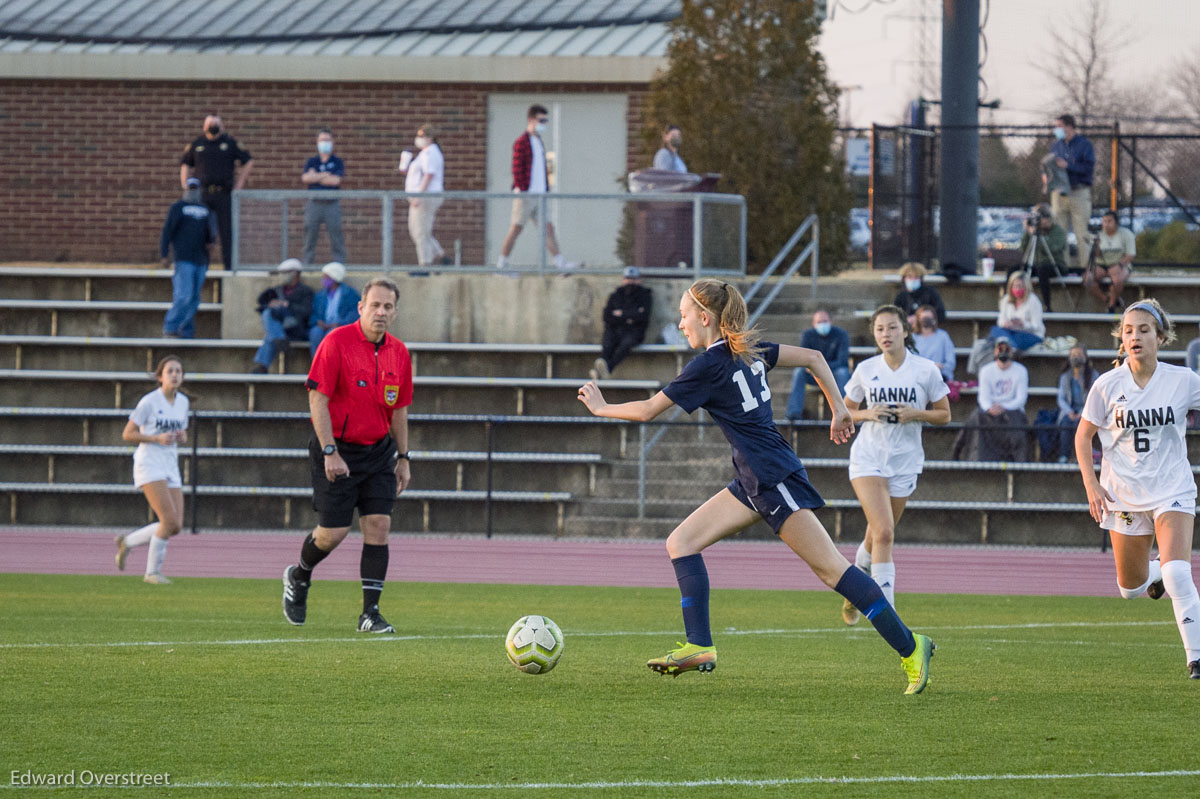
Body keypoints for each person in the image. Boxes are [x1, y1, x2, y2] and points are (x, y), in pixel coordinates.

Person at [576, 279, 936, 695]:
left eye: (684, 316)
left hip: (771, 477)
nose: (680, 324)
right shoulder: (749, 349)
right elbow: (816, 358)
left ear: (705, 318)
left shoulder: (708, 365)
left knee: (832, 569)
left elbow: (646, 412)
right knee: (682, 543)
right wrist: (840, 410)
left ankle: (913, 648)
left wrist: (602, 408)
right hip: (752, 479)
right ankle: (699, 645)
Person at [1075, 299, 1200, 680]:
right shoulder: (1107, 385)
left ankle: (1196, 657)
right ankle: (1155, 575)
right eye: (1128, 331)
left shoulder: (1183, 380)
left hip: (1172, 489)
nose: (1135, 337)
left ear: (1161, 338)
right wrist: (1092, 484)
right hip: (1124, 495)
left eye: (1144, 330)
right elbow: (1083, 437)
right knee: (1130, 589)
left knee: (1178, 571)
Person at [282, 277, 413, 634]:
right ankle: (300, 574)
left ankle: (370, 613)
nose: (381, 312)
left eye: (388, 306)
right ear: (361, 307)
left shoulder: (399, 352)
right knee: (333, 533)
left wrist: (404, 457)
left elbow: (399, 409)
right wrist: (329, 451)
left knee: (379, 525)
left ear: (395, 312)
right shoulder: (336, 342)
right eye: (375, 305)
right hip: (337, 449)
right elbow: (317, 398)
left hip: (378, 453)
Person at [840, 305, 950, 626]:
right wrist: (868, 414)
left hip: (905, 461)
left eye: (891, 328)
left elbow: (944, 415)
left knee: (876, 536)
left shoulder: (925, 369)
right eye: (879, 329)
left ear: (905, 330)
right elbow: (847, 411)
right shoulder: (866, 369)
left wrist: (914, 413)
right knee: (885, 532)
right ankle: (884, 610)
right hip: (868, 458)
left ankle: (852, 592)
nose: (885, 334)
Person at [113, 356, 189, 585]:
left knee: (175, 525)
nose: (175, 375)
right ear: (160, 377)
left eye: (178, 371)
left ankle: (128, 541)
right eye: (170, 371)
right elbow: (128, 434)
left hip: (170, 464)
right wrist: (155, 437)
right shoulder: (149, 402)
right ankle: (152, 573)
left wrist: (181, 436)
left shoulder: (183, 402)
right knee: (167, 520)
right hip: (150, 463)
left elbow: (179, 430)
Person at [496, 104, 578, 272]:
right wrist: (522, 189)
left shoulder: (538, 141)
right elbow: (517, 169)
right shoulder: (522, 142)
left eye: (545, 120)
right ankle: (501, 264)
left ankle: (560, 263)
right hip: (526, 195)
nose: (544, 124)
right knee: (516, 228)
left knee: (548, 228)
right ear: (531, 119)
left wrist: (545, 189)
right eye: (541, 120)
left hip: (540, 195)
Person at [180, 114, 253, 270]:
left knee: (227, 233)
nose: (213, 127)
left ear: (222, 126)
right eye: (210, 124)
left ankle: (229, 268)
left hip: (224, 194)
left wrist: (239, 184)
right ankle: (199, 265)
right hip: (203, 195)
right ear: (204, 127)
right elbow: (185, 164)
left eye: (216, 124)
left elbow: (248, 161)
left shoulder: (230, 143)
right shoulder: (197, 144)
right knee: (200, 231)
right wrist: (186, 186)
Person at [159, 177, 217, 338]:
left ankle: (185, 329)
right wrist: (164, 254)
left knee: (194, 299)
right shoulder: (178, 208)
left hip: (201, 260)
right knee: (183, 296)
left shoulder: (206, 210)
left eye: (195, 188)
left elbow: (210, 234)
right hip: (183, 258)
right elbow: (167, 231)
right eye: (190, 188)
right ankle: (170, 327)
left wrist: (211, 242)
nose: (193, 192)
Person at [968, 338, 1030, 462]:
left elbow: (1021, 399)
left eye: (1006, 349)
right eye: (1000, 349)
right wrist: (990, 408)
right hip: (991, 410)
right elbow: (983, 398)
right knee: (976, 417)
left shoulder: (1021, 370)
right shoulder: (985, 371)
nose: (1003, 352)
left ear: (1012, 351)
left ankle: (1018, 461)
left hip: (1013, 410)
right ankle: (978, 460)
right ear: (995, 351)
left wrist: (1004, 407)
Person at [250, 259, 315, 374]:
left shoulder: (306, 291)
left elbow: (306, 311)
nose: (282, 276)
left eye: (285, 272)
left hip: (295, 327)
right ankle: (279, 340)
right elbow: (261, 304)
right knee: (268, 314)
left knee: (271, 334)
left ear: (294, 273)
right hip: (279, 327)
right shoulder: (277, 290)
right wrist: (271, 304)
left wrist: (287, 305)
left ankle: (263, 365)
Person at [785, 309, 850, 421]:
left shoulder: (841, 334)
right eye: (819, 322)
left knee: (843, 372)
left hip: (833, 375)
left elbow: (842, 361)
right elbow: (802, 358)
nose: (822, 324)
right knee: (799, 372)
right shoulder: (808, 335)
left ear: (830, 321)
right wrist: (813, 368)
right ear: (813, 324)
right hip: (814, 375)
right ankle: (793, 413)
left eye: (825, 321)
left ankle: (846, 411)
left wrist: (819, 367)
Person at [1050, 113, 1095, 270]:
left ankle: (1087, 270)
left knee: (1082, 233)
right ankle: (1063, 267)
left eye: (1059, 126)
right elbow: (1052, 165)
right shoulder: (1057, 145)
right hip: (1059, 193)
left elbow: (1088, 168)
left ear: (1069, 126)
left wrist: (1068, 166)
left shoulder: (1084, 145)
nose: (1056, 129)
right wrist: (1046, 174)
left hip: (1079, 192)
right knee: (1060, 233)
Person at [399, 124, 447, 268]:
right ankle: (440, 255)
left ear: (430, 138)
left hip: (426, 197)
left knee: (420, 232)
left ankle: (425, 264)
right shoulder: (424, 153)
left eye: (422, 136)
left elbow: (429, 175)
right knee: (418, 230)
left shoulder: (430, 152)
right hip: (420, 196)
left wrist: (419, 195)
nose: (418, 139)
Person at [592, 266, 652, 379]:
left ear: (639, 280)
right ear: (623, 279)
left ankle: (604, 368)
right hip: (615, 330)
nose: (630, 281)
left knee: (626, 344)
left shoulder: (645, 295)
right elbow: (607, 316)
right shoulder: (615, 295)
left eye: (633, 279)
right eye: (628, 278)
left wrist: (621, 314)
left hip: (634, 332)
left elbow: (643, 317)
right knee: (608, 341)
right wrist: (631, 316)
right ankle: (603, 367)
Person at [301, 128, 347, 266]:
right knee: (309, 236)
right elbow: (305, 178)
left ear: (332, 142)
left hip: (332, 203)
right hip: (314, 203)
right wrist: (325, 175)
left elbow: (336, 181)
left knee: (336, 236)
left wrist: (316, 176)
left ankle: (339, 266)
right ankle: (307, 267)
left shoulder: (337, 161)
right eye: (322, 140)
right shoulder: (312, 161)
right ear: (317, 142)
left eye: (327, 140)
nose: (324, 143)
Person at [1016, 203, 1067, 311]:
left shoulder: (1058, 231)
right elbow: (1023, 248)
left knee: (1043, 270)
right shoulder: (1033, 232)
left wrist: (1041, 236)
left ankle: (1047, 305)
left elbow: (1052, 249)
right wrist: (1028, 232)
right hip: (1035, 264)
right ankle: (1010, 302)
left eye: (1044, 217)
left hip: (1055, 265)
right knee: (1015, 271)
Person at [1055, 345, 1099, 463]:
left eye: (1079, 355)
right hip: (1069, 412)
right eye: (1073, 355)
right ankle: (1064, 456)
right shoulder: (1065, 377)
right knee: (1066, 423)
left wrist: (1081, 413)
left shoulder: (1093, 376)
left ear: (1085, 357)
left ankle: (1083, 457)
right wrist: (1069, 412)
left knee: (1081, 426)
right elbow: (1061, 399)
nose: (1076, 358)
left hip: (1086, 411)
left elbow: (1093, 398)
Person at [1085, 210, 1135, 313]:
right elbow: (1097, 255)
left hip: (1120, 263)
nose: (1106, 224)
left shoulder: (1126, 234)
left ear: (1116, 223)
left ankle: (1112, 306)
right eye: (1104, 221)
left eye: (1109, 221)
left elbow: (1131, 254)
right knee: (1088, 279)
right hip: (1102, 264)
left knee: (1117, 279)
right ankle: (1107, 299)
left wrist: (1119, 265)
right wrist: (1096, 245)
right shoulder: (1098, 235)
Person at [309, 262, 360, 353]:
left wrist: (338, 324)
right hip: (323, 326)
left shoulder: (349, 293)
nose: (323, 280)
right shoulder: (320, 295)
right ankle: (318, 363)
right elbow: (314, 313)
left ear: (334, 278)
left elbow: (354, 314)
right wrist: (318, 321)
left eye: (326, 277)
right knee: (315, 333)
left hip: (339, 326)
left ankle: (331, 364)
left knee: (332, 335)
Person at [990, 270, 1045, 352]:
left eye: (1020, 286)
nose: (1017, 289)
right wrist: (1005, 324)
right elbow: (1000, 320)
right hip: (1010, 331)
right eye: (1015, 286)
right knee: (994, 329)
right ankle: (1011, 346)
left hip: (1030, 334)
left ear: (1026, 287)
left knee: (1001, 340)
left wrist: (1022, 324)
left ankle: (1009, 347)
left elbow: (1036, 326)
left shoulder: (1033, 300)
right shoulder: (1006, 299)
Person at [913, 303, 956, 382]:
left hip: (939, 376)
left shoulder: (943, 336)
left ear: (934, 319)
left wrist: (941, 367)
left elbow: (950, 361)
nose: (926, 321)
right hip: (917, 377)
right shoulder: (913, 338)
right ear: (918, 320)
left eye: (929, 318)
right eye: (924, 318)